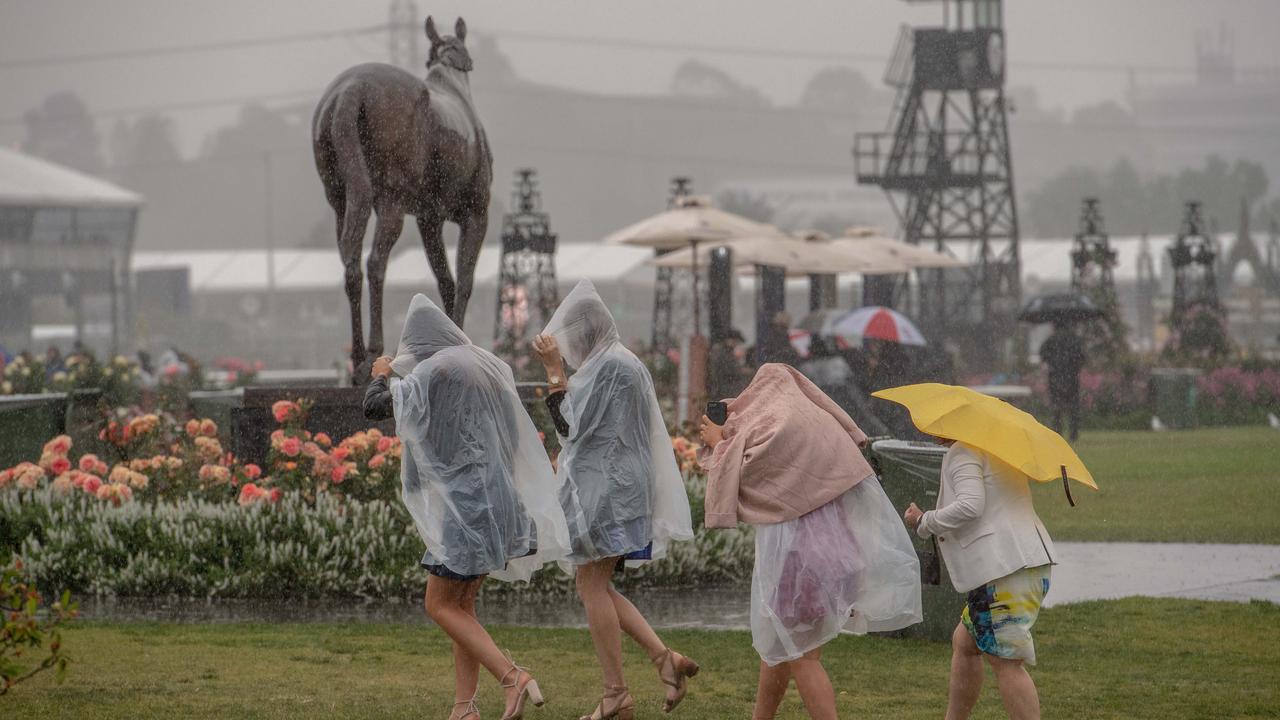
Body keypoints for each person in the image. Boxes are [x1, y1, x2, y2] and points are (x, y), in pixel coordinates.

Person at [364, 294, 570, 720]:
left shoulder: (435, 369)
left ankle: (512, 676)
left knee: (438, 605)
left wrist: (381, 375)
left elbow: (375, 407)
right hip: (497, 498)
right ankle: (464, 708)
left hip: (465, 505)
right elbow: (510, 437)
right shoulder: (484, 365)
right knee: (462, 606)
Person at [698, 364, 922, 720]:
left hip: (800, 561)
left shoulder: (774, 432)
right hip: (834, 553)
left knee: (803, 655)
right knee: (780, 645)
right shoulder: (813, 424)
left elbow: (746, 476)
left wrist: (719, 444)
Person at [531, 280, 697, 720]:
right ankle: (665, 661)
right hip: (619, 489)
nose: (568, 350)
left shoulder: (608, 367)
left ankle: (616, 694)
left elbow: (568, 426)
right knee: (597, 585)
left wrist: (553, 371)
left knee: (591, 586)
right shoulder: (625, 362)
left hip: (608, 492)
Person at [903, 439, 1057, 720]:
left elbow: (971, 506)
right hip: (1029, 561)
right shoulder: (999, 448)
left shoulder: (964, 451)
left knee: (1006, 660)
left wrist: (925, 520)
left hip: (1006, 571)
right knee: (965, 642)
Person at [1038, 322, 1086, 442]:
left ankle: (1057, 433)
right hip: (1072, 378)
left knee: (1056, 407)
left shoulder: (1051, 340)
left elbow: (1043, 355)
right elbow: (1082, 357)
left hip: (1055, 377)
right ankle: (1073, 434)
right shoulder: (1075, 340)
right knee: (1073, 408)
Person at [707, 328, 751, 401]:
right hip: (725, 392)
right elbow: (732, 371)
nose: (736, 344)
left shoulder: (723, 352)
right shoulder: (724, 353)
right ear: (730, 340)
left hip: (722, 390)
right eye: (736, 341)